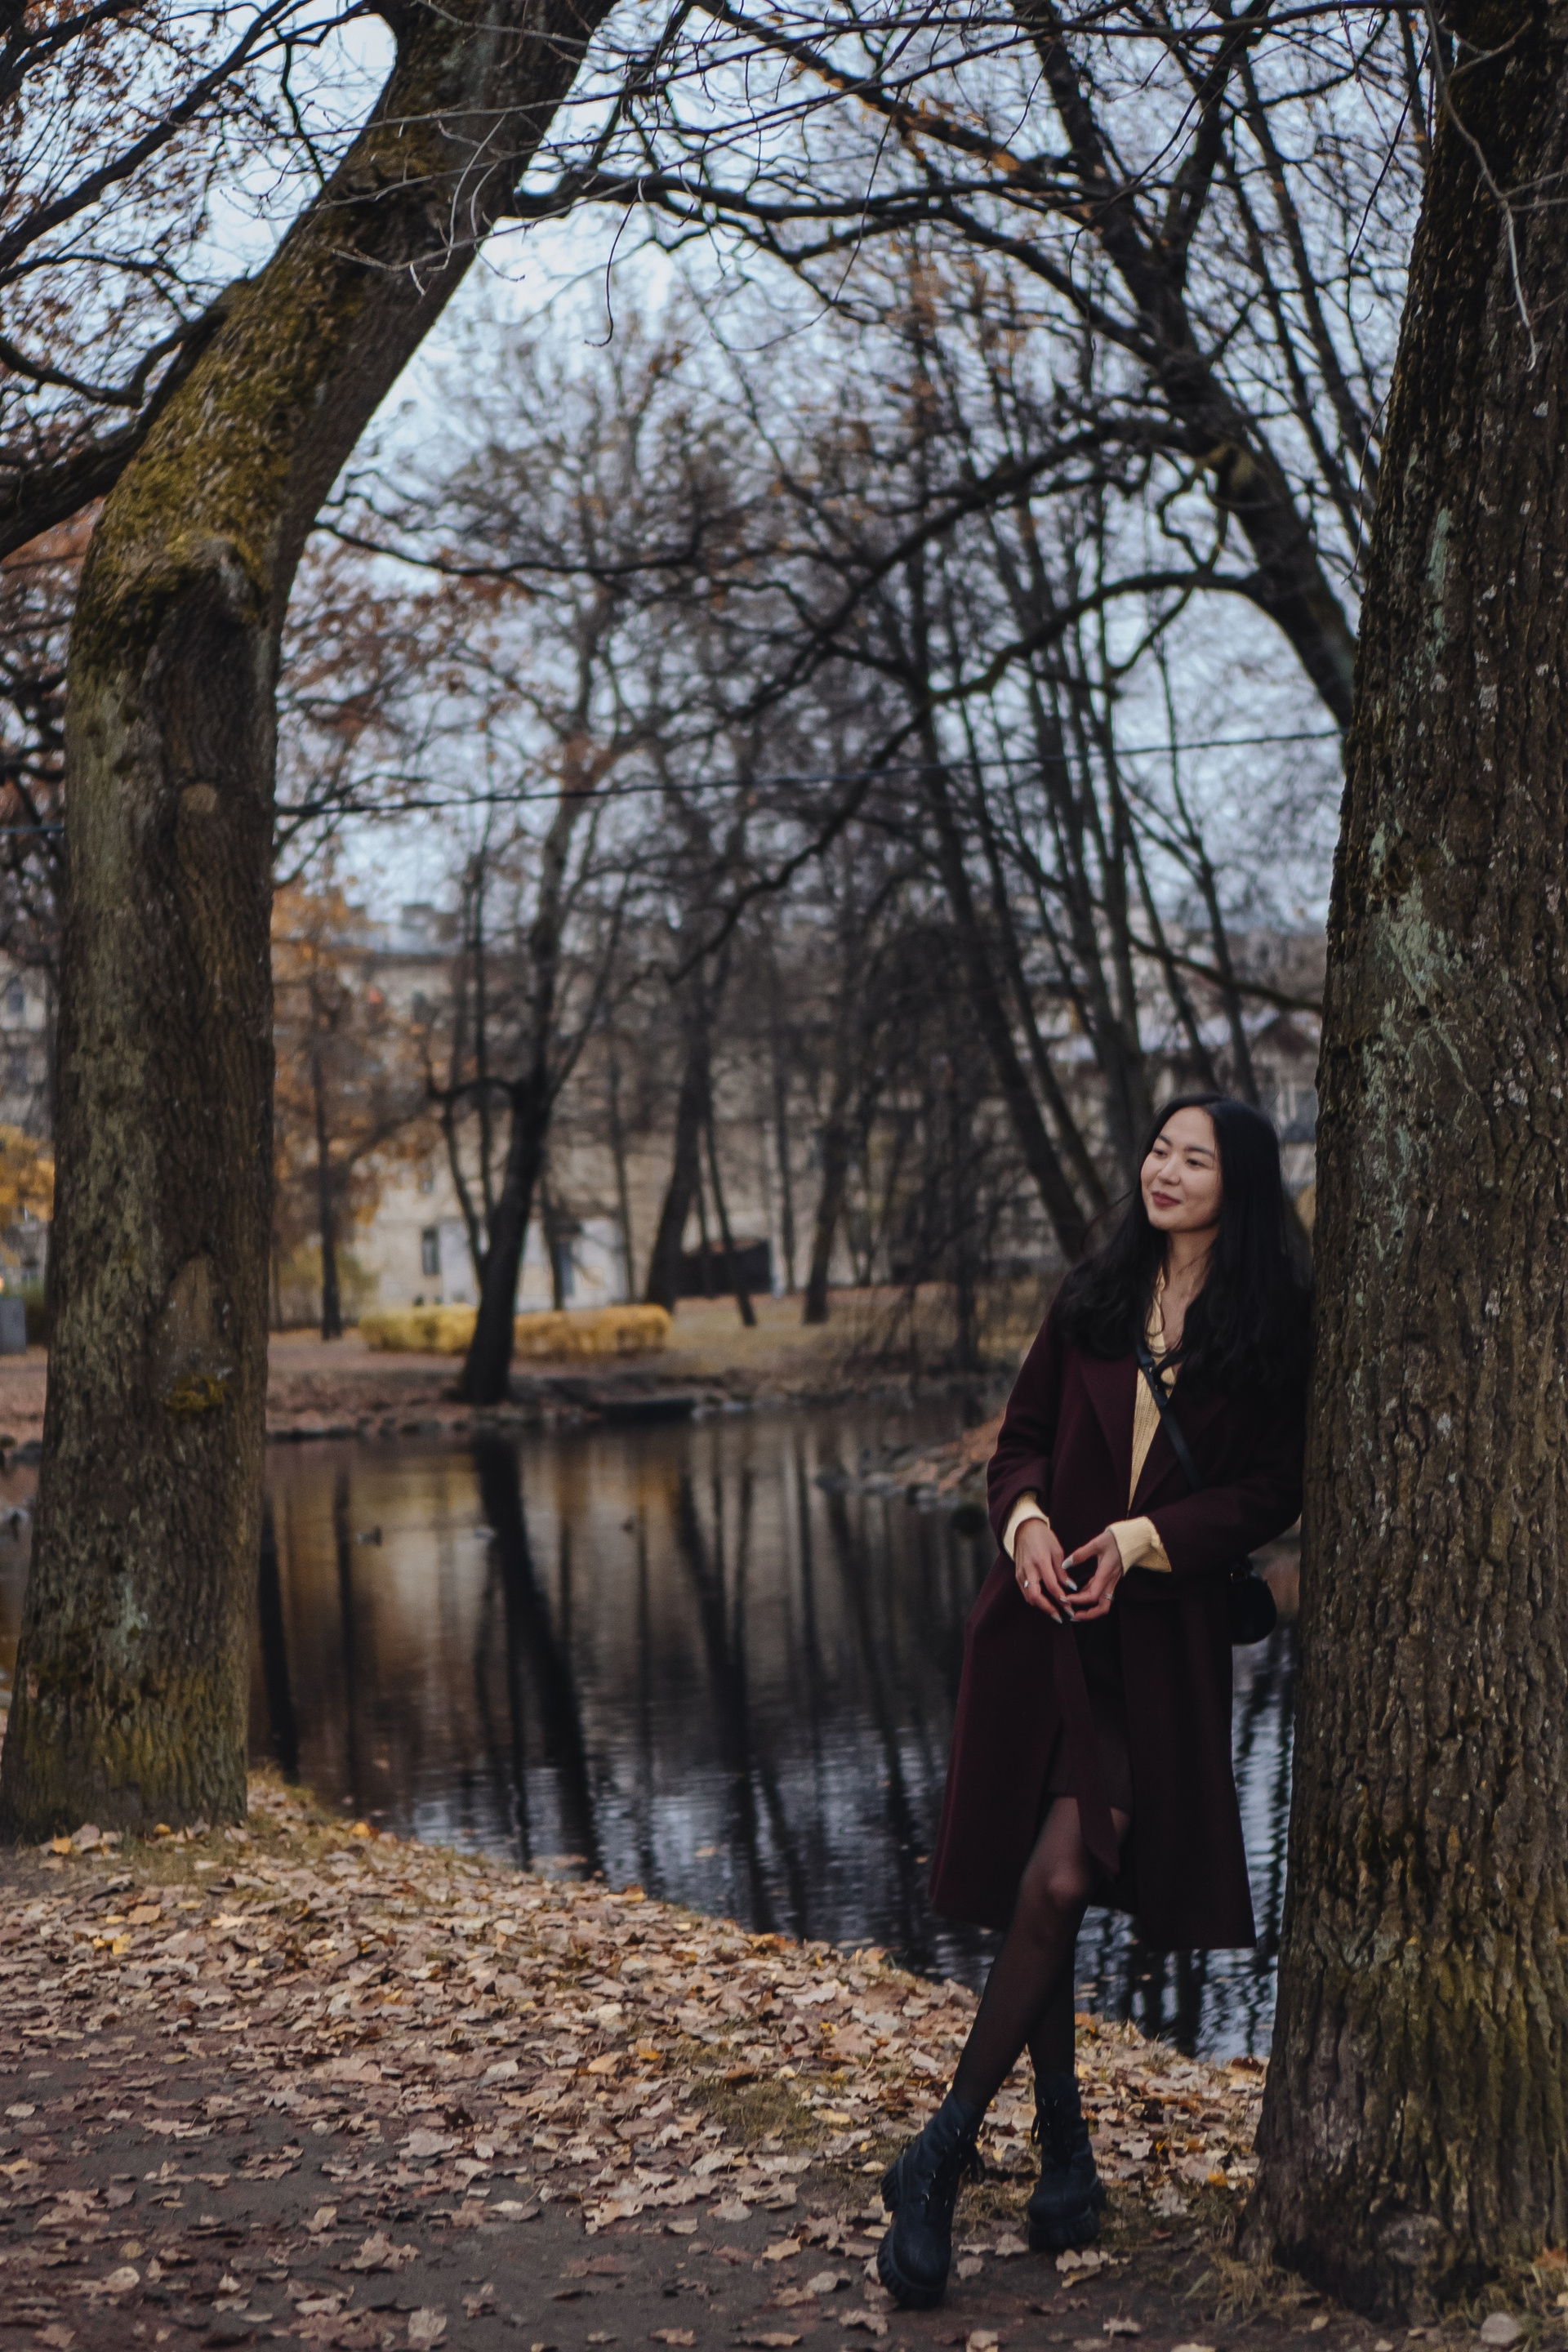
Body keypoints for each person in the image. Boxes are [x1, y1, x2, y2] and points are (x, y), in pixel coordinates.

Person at [877, 1095, 1311, 2310]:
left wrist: (1139, 1538)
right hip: (1038, 1633)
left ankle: (939, 2154)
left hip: (1152, 1654)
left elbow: (1269, 1491)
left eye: (1194, 1158)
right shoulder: (1094, 1297)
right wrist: (1024, 1521)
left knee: (1065, 1877)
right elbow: (1017, 1443)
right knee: (1042, 1883)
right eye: (1159, 1150)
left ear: (1238, 1184)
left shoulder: (1271, 1325)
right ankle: (1063, 2148)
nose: (1164, 1171)